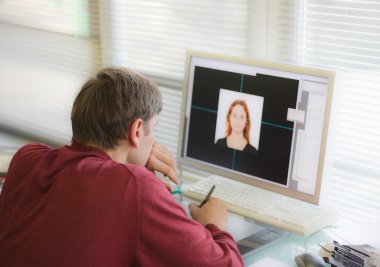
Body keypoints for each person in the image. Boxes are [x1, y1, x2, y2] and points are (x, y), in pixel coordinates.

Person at [0, 67, 244, 267]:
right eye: (153, 127)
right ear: (137, 131)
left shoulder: (27, 157)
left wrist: (133, 161)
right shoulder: (135, 186)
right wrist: (214, 224)